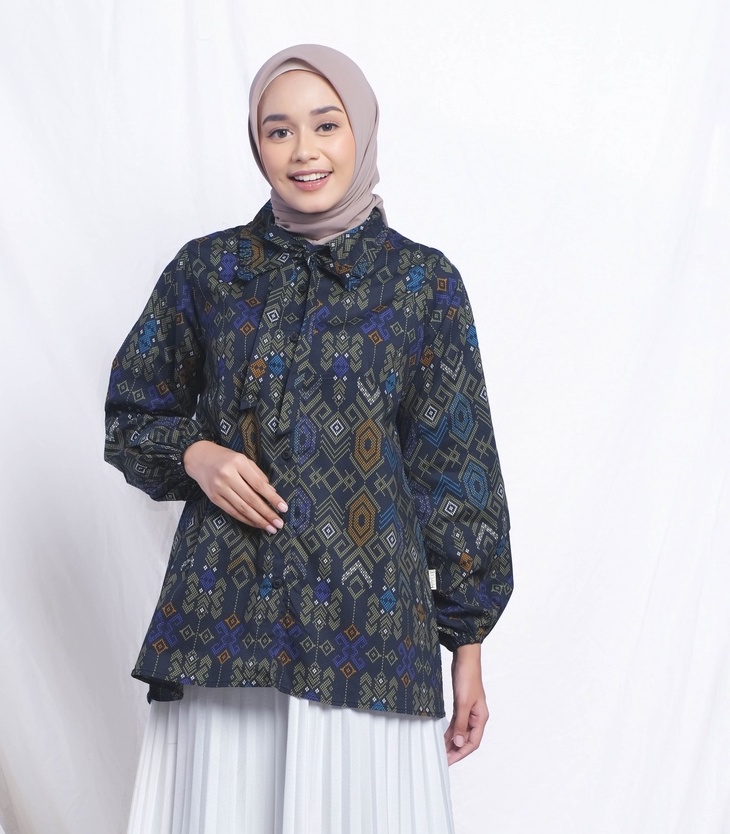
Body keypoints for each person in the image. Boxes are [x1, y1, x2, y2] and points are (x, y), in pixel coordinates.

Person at [104, 44, 513, 834]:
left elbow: (457, 470)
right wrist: (197, 454)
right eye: (278, 130)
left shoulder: (422, 284)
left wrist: (467, 646)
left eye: (326, 125)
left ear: (361, 129)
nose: (303, 151)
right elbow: (133, 412)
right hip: (225, 620)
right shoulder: (208, 271)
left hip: (369, 630)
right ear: (256, 142)